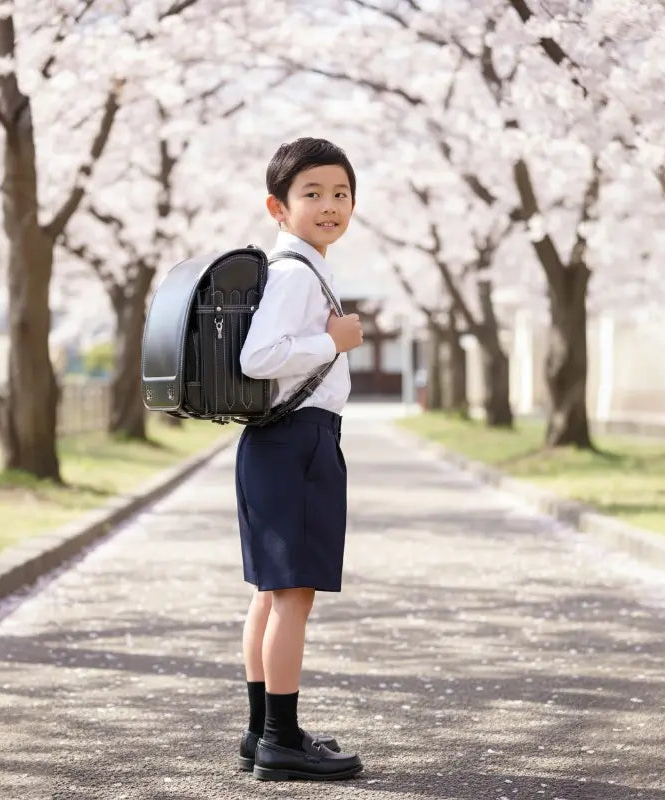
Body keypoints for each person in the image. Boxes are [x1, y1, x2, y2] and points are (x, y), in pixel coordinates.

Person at [234, 137, 365, 781]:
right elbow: (257, 358)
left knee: (271, 592)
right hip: (298, 442)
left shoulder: (304, 266)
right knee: (293, 596)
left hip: (278, 442)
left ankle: (263, 732)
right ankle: (282, 741)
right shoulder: (292, 272)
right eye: (311, 193)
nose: (330, 204)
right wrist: (330, 340)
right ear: (278, 207)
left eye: (340, 193)